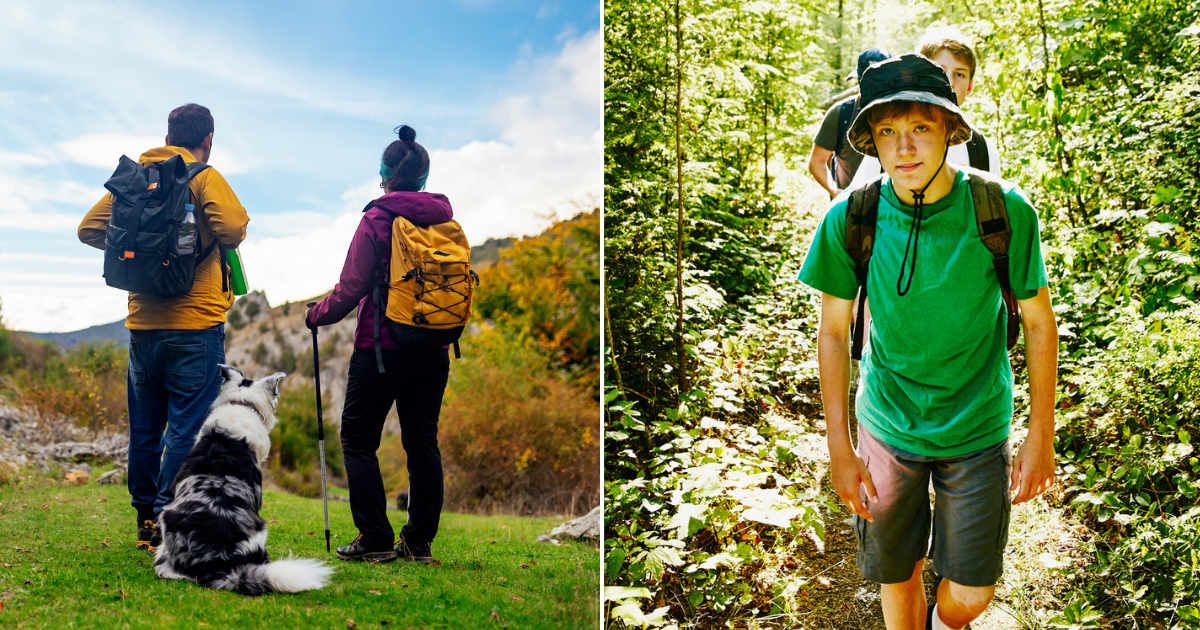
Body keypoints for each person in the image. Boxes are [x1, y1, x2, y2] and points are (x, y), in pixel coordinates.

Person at [797, 54, 1058, 630]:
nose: (904, 147)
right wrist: (840, 447)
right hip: (888, 426)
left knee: (972, 592)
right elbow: (834, 332)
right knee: (898, 571)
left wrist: (1041, 434)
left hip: (977, 424)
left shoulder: (1002, 210)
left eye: (921, 128)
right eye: (888, 132)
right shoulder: (851, 218)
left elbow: (1040, 322)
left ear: (949, 130)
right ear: (870, 141)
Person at [77, 103, 249, 552]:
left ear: (168, 135)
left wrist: (144, 252)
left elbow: (89, 228)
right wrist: (194, 246)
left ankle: (144, 520)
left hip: (142, 327)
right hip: (195, 325)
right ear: (207, 139)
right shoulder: (203, 176)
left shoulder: (137, 178)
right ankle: (166, 518)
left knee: (146, 429)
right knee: (186, 430)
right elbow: (233, 229)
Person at [306, 124, 454, 565]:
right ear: (424, 177)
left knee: (357, 437)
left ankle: (373, 537)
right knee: (422, 442)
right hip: (432, 347)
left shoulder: (377, 219)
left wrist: (317, 314)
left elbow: (351, 288)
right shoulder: (444, 220)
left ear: (385, 174)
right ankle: (418, 542)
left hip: (381, 349)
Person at [846, 26, 1002, 191]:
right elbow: (858, 205)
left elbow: (995, 203)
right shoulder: (889, 146)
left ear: (970, 86)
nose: (949, 81)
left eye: (959, 74)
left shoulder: (982, 150)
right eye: (940, 71)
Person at [808, 47, 892, 198]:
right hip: (850, 206)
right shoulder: (841, 114)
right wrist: (835, 191)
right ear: (859, 80)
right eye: (867, 82)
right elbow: (817, 161)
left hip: (895, 207)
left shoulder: (902, 113)